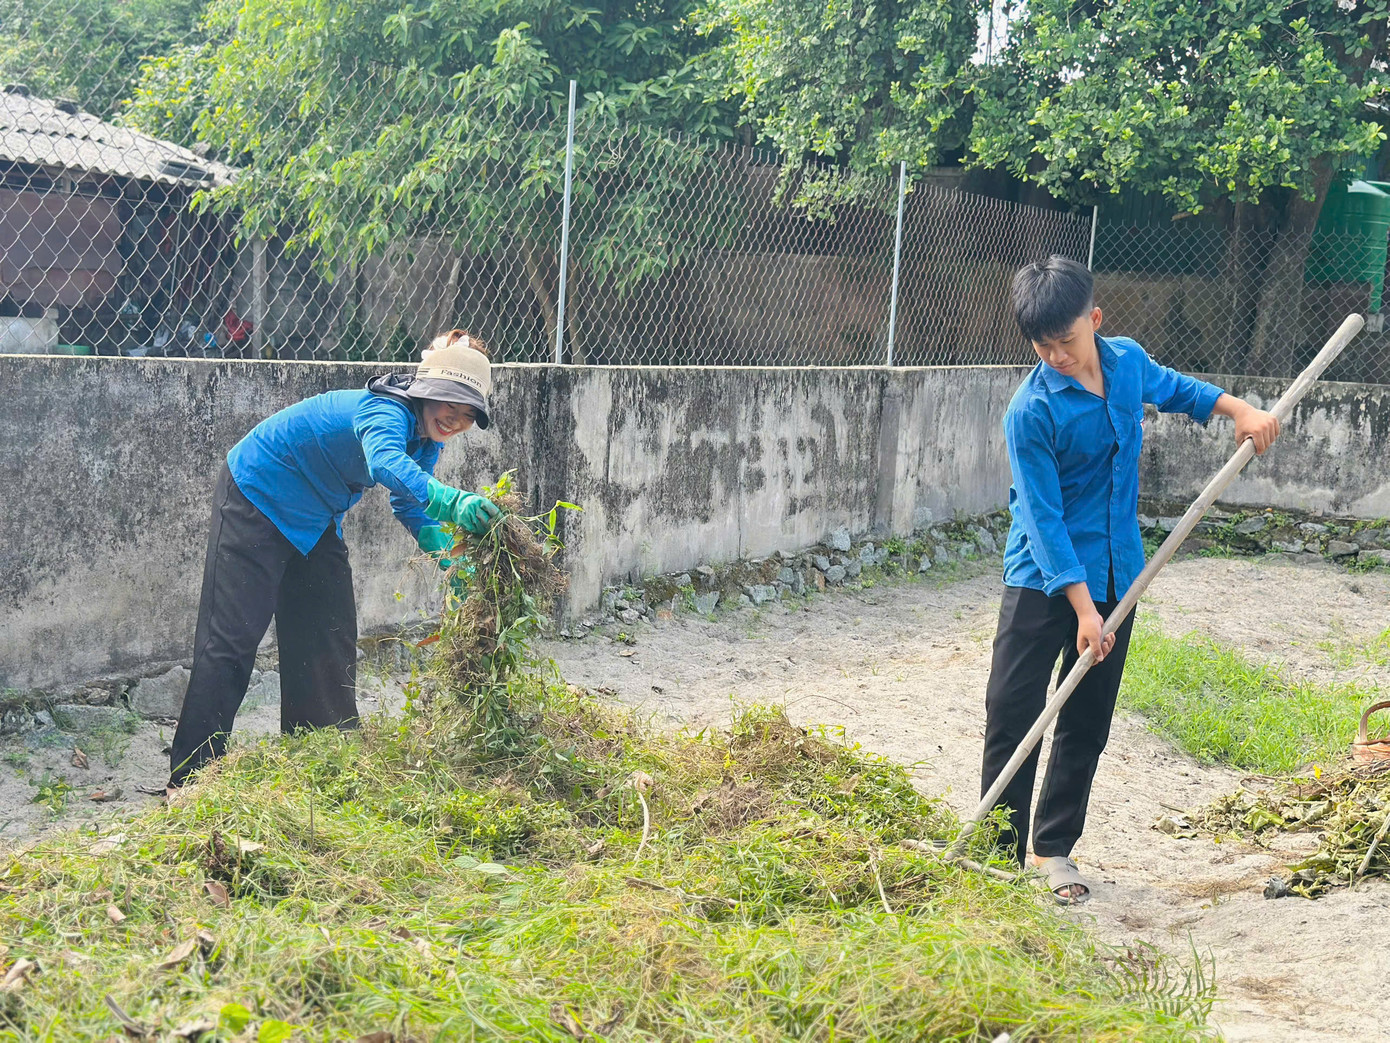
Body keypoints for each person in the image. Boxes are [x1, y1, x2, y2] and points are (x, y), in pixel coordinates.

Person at [980, 256, 1280, 904]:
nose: (1056, 355)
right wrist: (1083, 608)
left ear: (1094, 319)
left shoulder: (1126, 364)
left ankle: (1052, 848)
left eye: (1066, 339)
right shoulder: (1029, 411)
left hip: (1119, 569)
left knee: (1086, 717)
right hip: (1042, 578)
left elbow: (1180, 390)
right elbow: (1043, 517)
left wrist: (1240, 410)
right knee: (1013, 711)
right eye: (1042, 345)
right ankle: (996, 857)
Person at [167, 329, 499, 793]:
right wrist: (452, 500)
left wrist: (450, 558)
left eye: (468, 415)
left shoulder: (428, 439)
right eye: (450, 404)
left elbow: (408, 503)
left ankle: (320, 763)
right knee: (231, 640)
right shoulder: (385, 407)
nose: (456, 420)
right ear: (425, 390)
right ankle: (191, 781)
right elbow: (384, 461)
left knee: (328, 633)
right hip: (256, 493)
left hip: (314, 515)